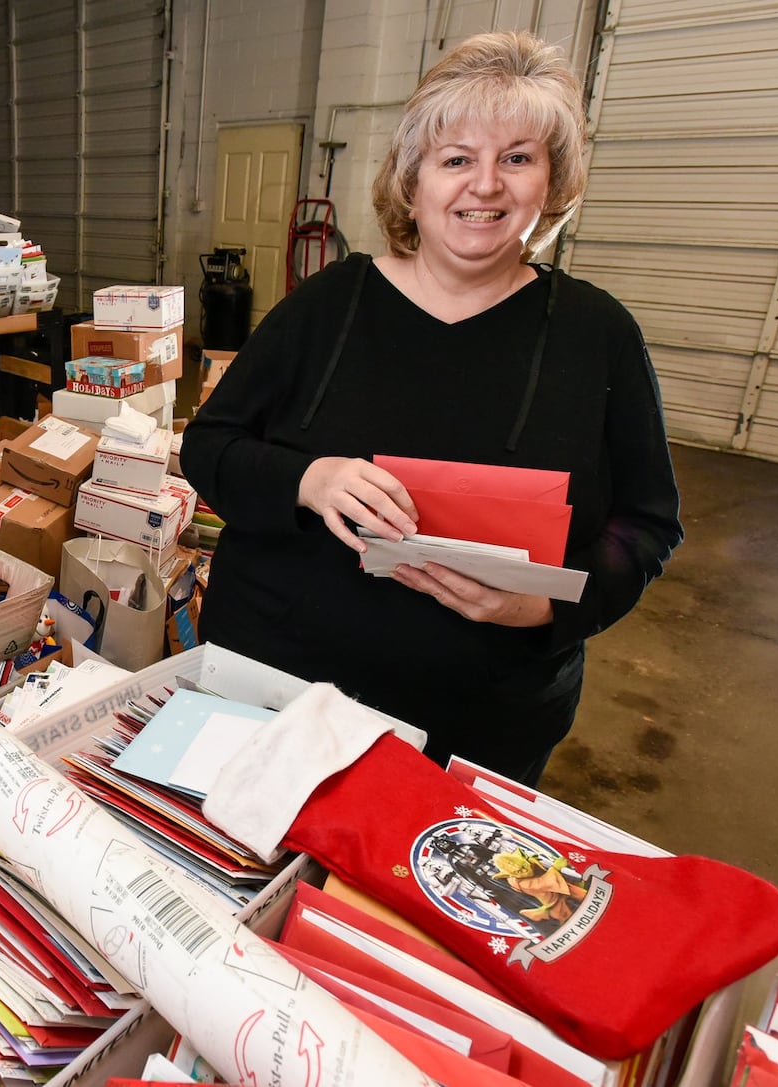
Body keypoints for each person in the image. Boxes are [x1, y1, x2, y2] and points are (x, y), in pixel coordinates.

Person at [180, 30, 683, 785]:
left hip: (480, 721)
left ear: (552, 181)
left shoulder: (597, 333)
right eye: (456, 160)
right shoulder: (329, 305)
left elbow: (646, 525)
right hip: (276, 688)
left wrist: (543, 611)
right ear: (413, 180)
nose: (485, 186)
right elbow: (210, 447)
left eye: (517, 157)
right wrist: (310, 481)